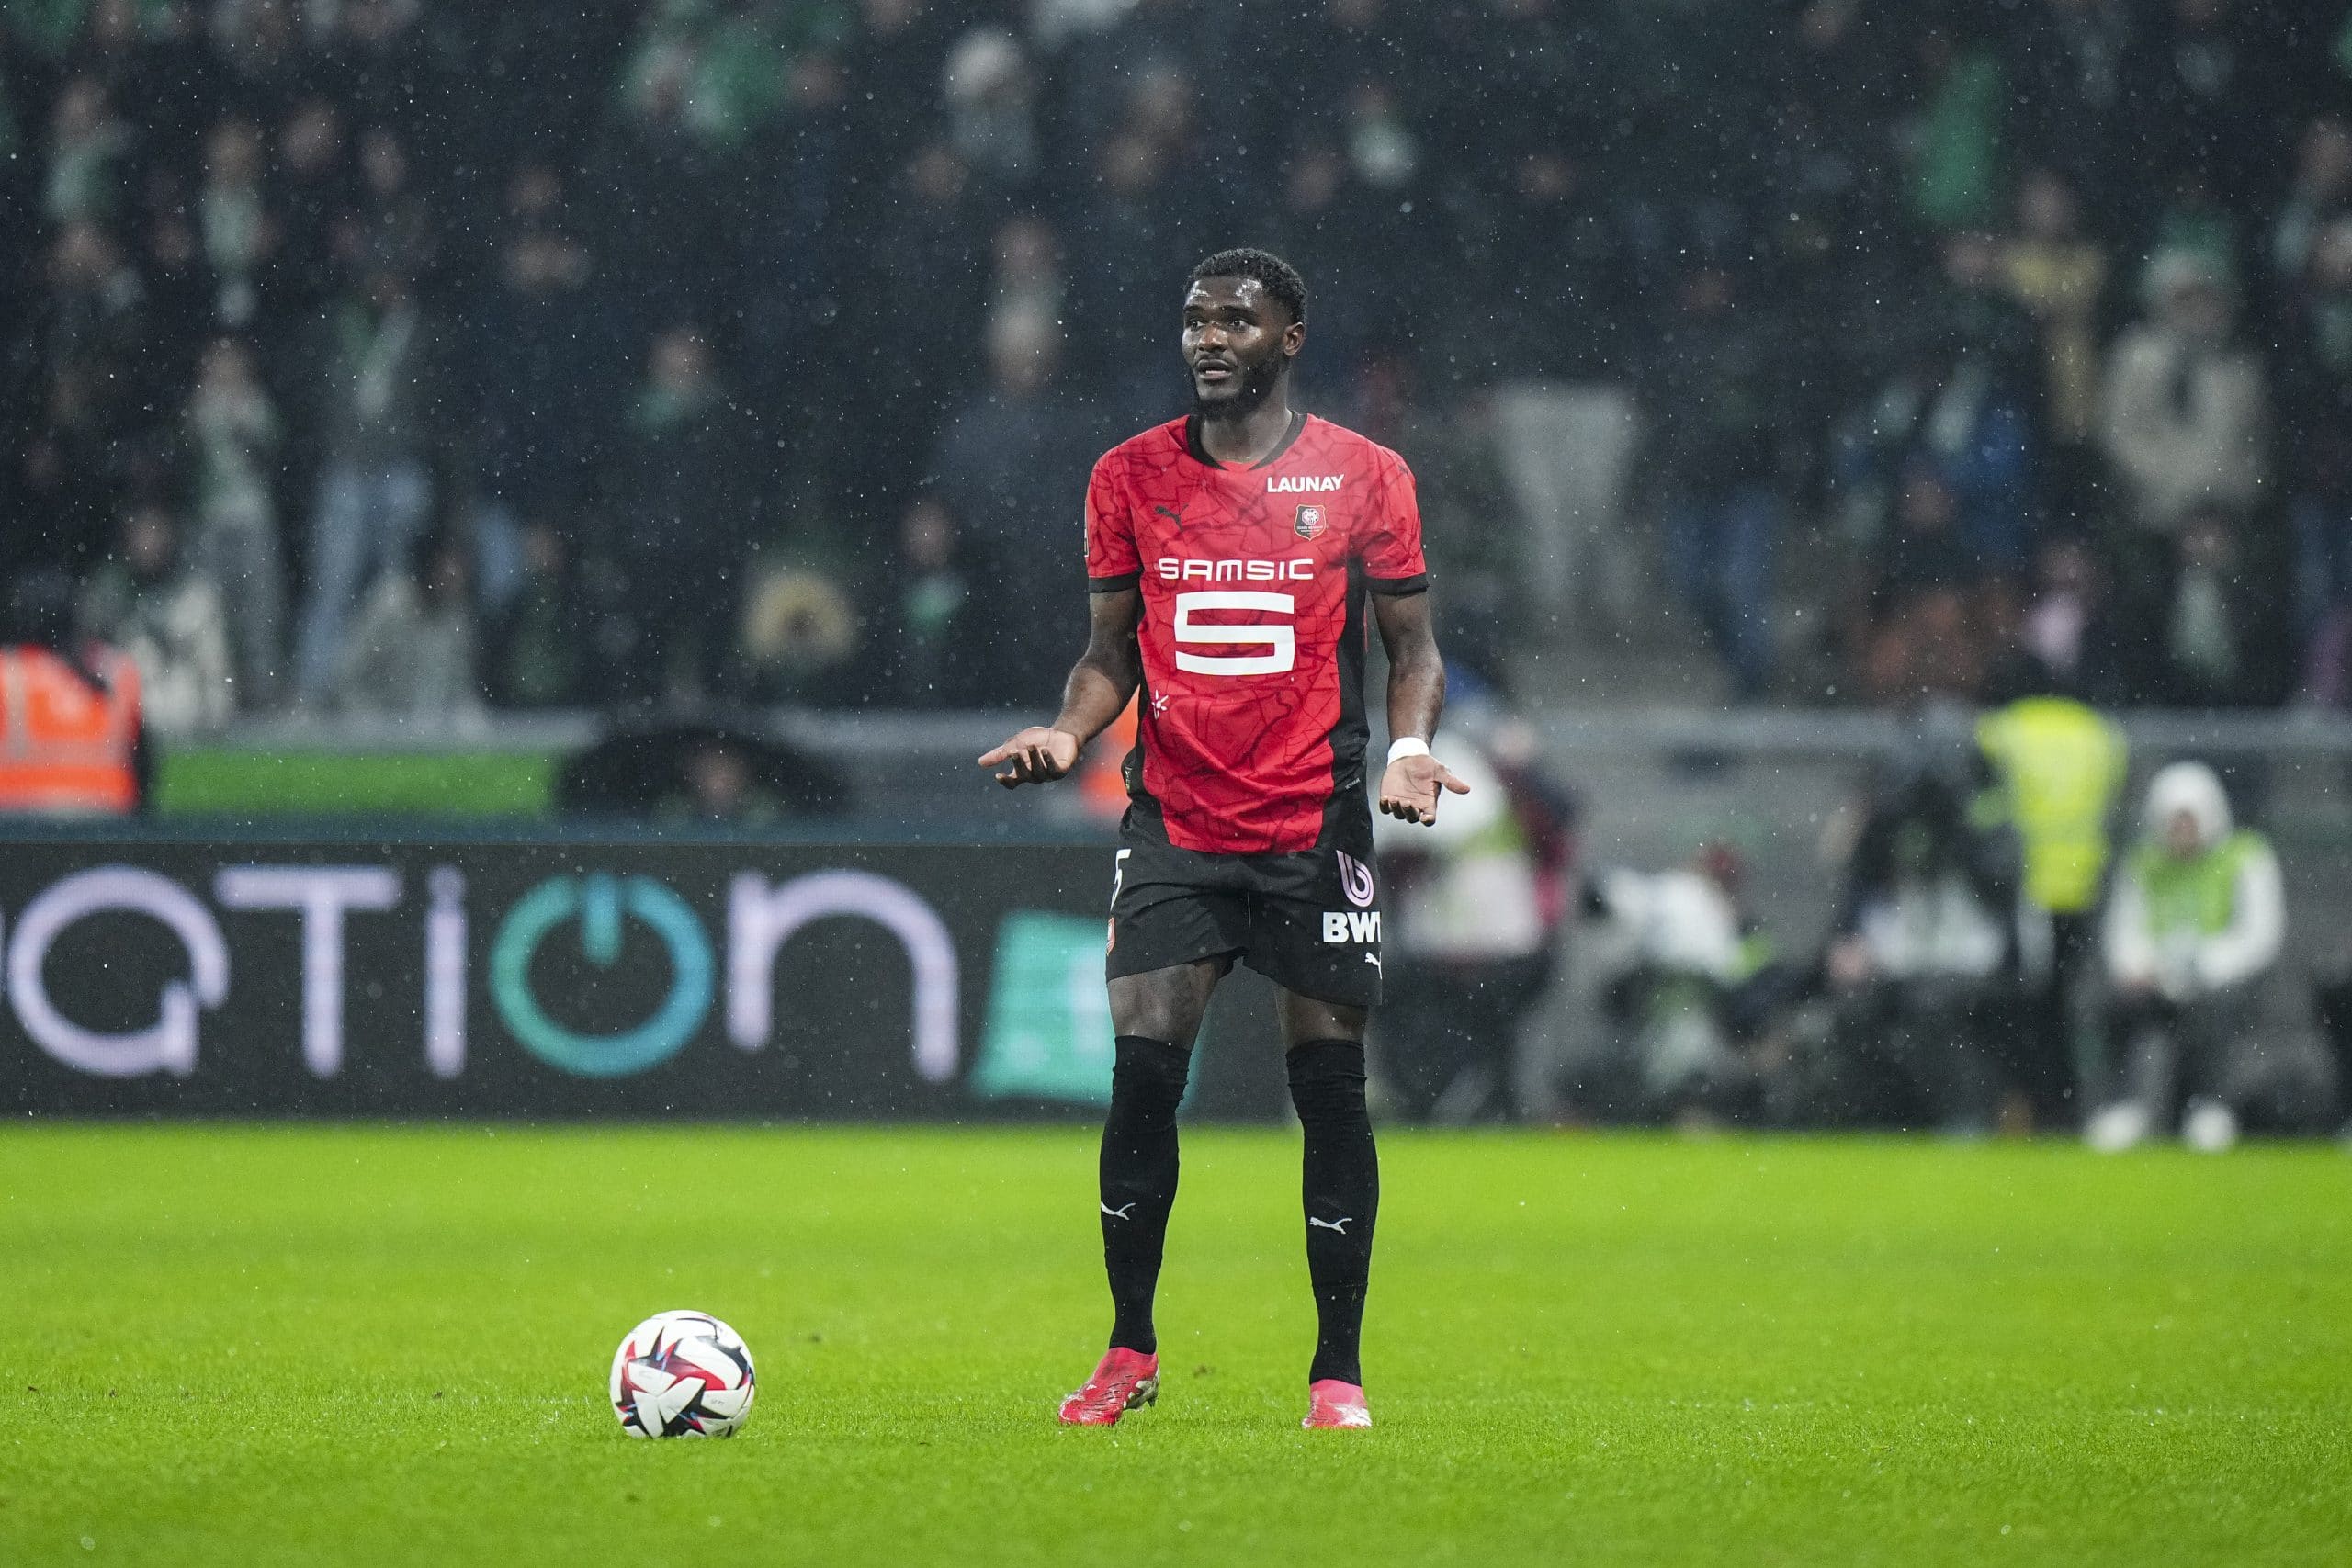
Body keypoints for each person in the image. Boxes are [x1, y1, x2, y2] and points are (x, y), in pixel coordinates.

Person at [978, 249, 1460, 1432]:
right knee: (1142, 1072)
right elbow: (1108, 655)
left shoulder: (1364, 477)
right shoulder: (1127, 476)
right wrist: (1067, 730)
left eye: (1234, 320)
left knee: (1329, 1092)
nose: (1207, 338)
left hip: (1313, 826)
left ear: (1288, 336)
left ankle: (1335, 1373)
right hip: (1176, 821)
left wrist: (1407, 753)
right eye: (1194, 319)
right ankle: (1127, 1349)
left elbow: (1413, 650)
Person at [2086, 761, 2324, 1152]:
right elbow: (2125, 930)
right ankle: (2131, 1105)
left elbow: (2262, 935)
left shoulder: (2245, 855)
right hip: (2160, 979)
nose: (2181, 831)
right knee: (2119, 1008)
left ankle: (2212, 1106)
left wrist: (2204, 967)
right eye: (2173, 821)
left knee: (2212, 1016)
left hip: (2225, 980)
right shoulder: (2145, 862)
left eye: (2188, 820)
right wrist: (2141, 967)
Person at [0, 567, 147, 817]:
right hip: (108, 833)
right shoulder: (118, 672)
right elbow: (144, 770)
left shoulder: (7, 676)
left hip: (21, 835)